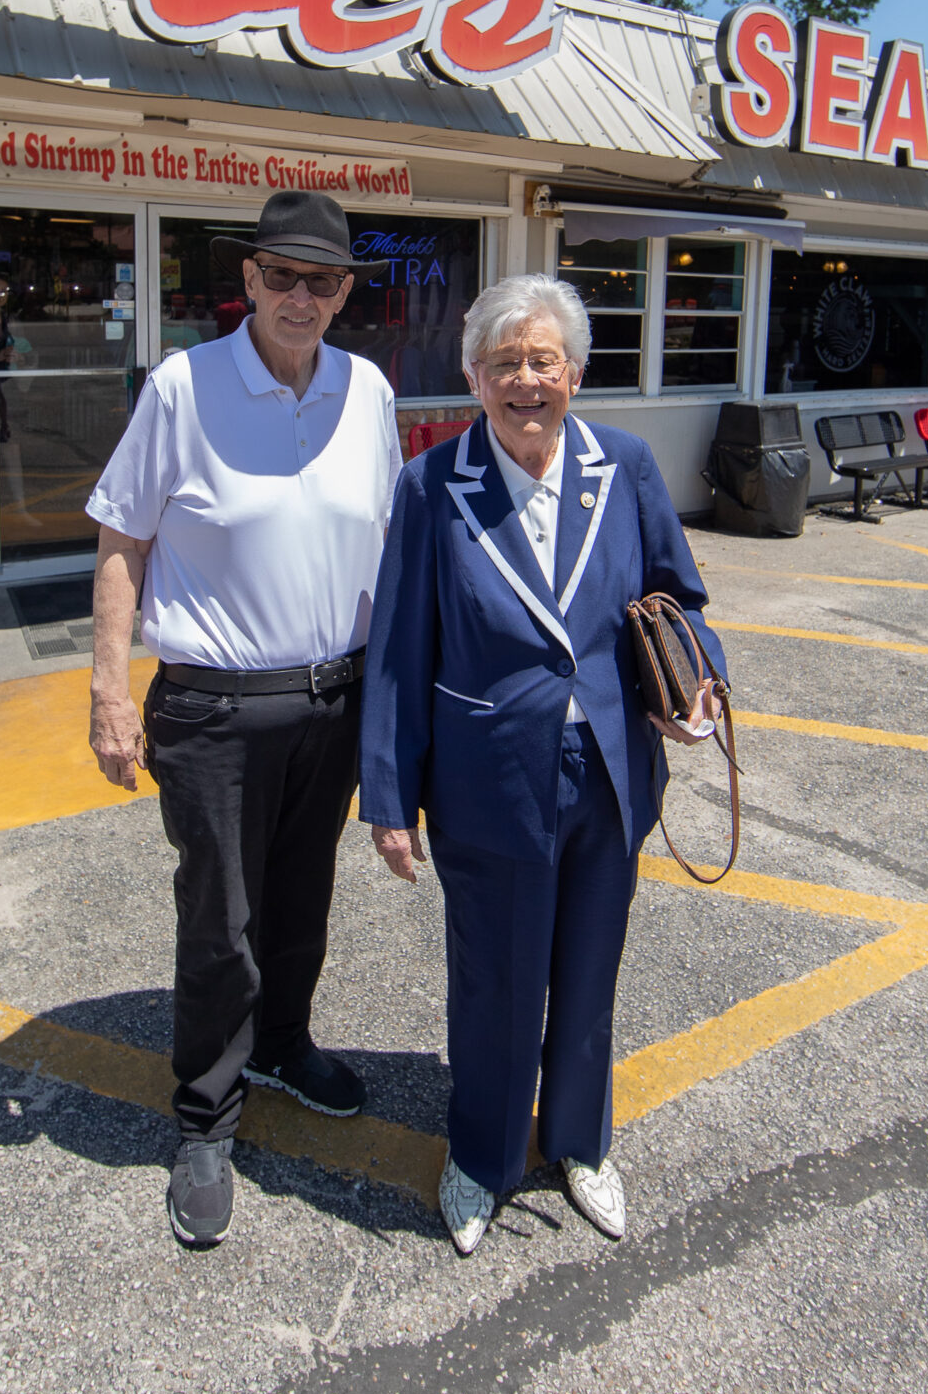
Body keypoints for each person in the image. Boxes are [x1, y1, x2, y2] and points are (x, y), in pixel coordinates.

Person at [360, 272, 723, 1256]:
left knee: (589, 973)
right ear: (474, 376)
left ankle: (581, 1142)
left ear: (575, 371)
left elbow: (677, 597)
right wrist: (389, 795)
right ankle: (480, 1155)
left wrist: (697, 688)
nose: (526, 381)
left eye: (544, 360)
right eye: (506, 363)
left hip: (609, 770)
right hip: (489, 779)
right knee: (494, 981)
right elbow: (398, 649)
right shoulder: (433, 485)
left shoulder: (629, 467)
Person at [86, 192, 400, 1250]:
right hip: (214, 707)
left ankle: (285, 1043)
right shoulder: (185, 384)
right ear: (250, 279)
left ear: (345, 292)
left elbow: (393, 546)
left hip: (333, 698)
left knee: (302, 896)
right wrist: (107, 689)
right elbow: (123, 537)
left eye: (324, 281)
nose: (301, 298)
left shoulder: (368, 390)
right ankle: (208, 1115)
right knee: (220, 917)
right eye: (283, 276)